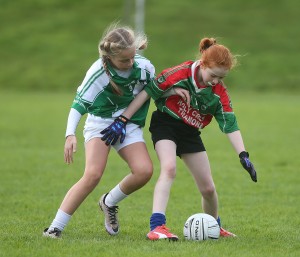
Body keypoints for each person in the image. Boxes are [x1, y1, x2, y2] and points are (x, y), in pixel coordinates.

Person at [101, 37, 258, 241]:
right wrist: (123, 119)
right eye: (213, 75)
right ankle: (157, 227)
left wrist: (243, 154)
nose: (216, 81)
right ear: (202, 64)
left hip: (190, 132)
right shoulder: (178, 74)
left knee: (208, 188)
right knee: (169, 168)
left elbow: (230, 124)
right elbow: (148, 93)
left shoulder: (218, 92)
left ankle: (214, 226)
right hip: (165, 124)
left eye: (221, 78)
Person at [42, 24, 157, 238]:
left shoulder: (144, 67)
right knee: (93, 174)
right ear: (110, 57)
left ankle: (108, 202)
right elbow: (79, 105)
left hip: (127, 123)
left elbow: (155, 89)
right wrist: (70, 134)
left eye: (133, 57)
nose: (131, 62)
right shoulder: (97, 73)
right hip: (101, 124)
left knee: (144, 171)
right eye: (124, 60)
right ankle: (54, 228)